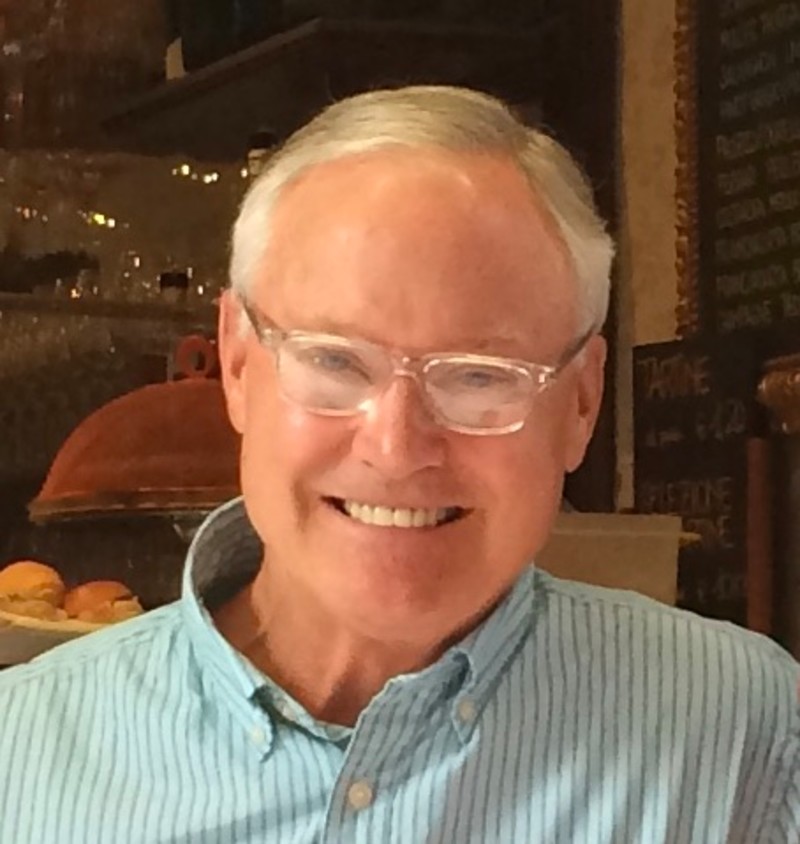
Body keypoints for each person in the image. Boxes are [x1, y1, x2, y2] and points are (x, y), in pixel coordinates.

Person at [1, 86, 797, 844]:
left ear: (582, 403)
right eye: (335, 361)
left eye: (480, 376)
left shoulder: (741, 736)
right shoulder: (19, 755)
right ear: (237, 364)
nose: (396, 446)